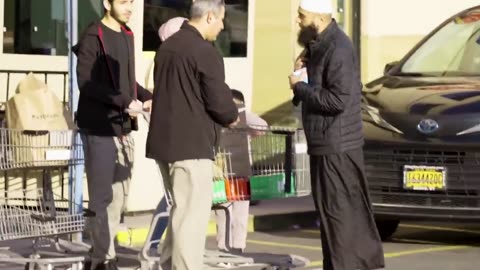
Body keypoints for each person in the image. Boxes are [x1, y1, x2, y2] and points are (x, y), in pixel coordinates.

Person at [288, 1, 385, 270]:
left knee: (340, 216)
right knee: (333, 216)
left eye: (301, 15)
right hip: (326, 142)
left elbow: (337, 100)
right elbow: (319, 87)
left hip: (337, 146)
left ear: (318, 18)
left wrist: (300, 88)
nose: (297, 21)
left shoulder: (337, 47)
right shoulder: (319, 46)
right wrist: (301, 73)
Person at [146, 0, 239, 269]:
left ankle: (167, 265)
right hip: (192, 147)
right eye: (221, 19)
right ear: (209, 17)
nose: (222, 26)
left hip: (165, 145)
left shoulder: (167, 48)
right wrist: (232, 115)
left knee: (179, 214)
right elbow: (219, 102)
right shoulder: (204, 51)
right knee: (192, 220)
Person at [73, 0, 153, 269]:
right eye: (123, 1)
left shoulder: (127, 34)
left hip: (124, 127)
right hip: (99, 128)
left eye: (132, 2)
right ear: (107, 3)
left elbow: (127, 82)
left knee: (120, 197)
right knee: (103, 197)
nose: (130, 7)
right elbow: (86, 82)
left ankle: (103, 253)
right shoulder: (93, 36)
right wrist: (123, 101)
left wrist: (145, 96)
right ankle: (102, 259)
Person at [143, 16, 188, 253]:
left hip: (179, 137)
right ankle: (157, 244)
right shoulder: (165, 59)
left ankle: (161, 244)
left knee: (175, 196)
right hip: (173, 138)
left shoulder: (180, 57)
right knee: (175, 196)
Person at [214, 90, 268, 256]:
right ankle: (230, 249)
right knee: (230, 212)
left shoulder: (237, 118)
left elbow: (263, 127)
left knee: (233, 212)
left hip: (232, 172)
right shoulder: (229, 119)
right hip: (231, 172)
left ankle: (232, 249)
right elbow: (262, 127)